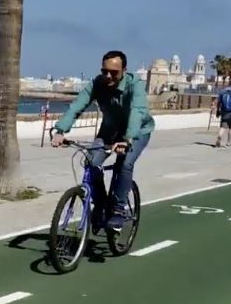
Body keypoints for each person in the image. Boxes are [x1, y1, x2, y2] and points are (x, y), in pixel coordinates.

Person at [51, 50, 154, 232]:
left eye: (114, 72)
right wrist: (60, 130)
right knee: (91, 163)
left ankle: (118, 210)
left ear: (124, 71)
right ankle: (100, 205)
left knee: (124, 164)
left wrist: (127, 139)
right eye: (104, 71)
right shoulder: (97, 84)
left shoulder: (135, 85)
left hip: (137, 132)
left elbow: (137, 111)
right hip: (109, 132)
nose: (108, 76)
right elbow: (77, 106)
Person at [214, 80, 231, 147]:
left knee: (223, 127)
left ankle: (219, 136)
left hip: (224, 111)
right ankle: (228, 142)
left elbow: (218, 102)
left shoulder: (222, 91)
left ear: (229, 83)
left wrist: (218, 111)